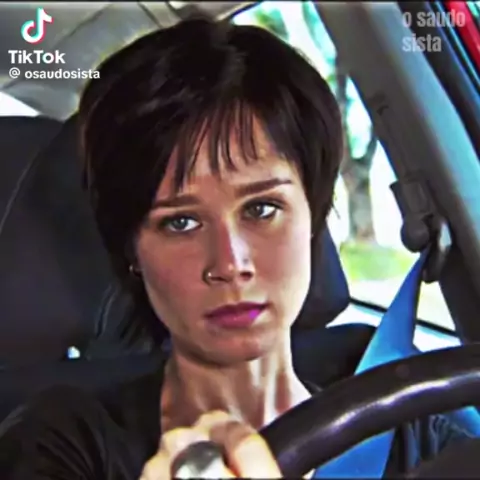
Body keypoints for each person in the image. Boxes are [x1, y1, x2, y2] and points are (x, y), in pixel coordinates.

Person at [0, 13, 472, 480]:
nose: (229, 263)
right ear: (133, 252)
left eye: (262, 209)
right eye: (181, 222)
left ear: (313, 216)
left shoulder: (415, 430)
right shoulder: (64, 443)